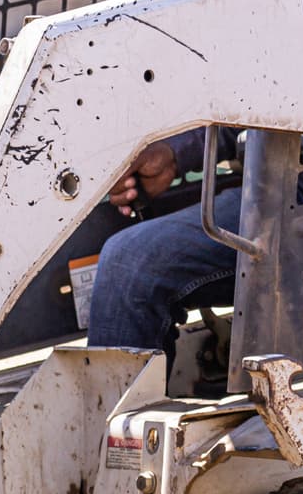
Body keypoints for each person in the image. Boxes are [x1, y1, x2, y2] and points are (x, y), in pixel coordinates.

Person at [86, 127, 241, 371]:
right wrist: (174, 154)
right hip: (272, 175)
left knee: (130, 264)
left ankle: (121, 405)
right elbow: (251, 111)